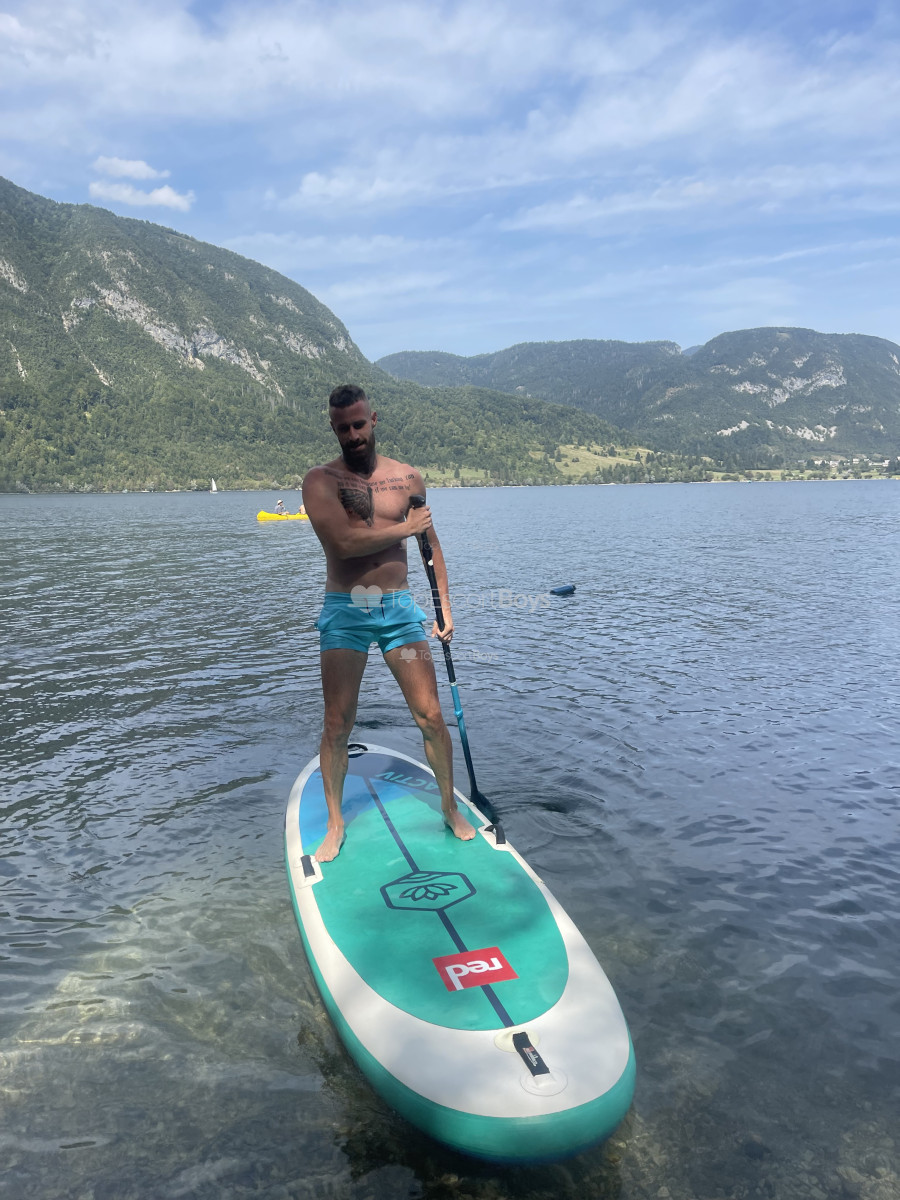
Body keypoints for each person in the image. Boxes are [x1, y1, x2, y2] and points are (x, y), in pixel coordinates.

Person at [302, 383, 475, 862]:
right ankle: (335, 823)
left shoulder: (407, 478)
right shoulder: (320, 481)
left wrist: (444, 607)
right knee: (337, 722)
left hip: (399, 610)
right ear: (333, 429)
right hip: (346, 609)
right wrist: (405, 528)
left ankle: (449, 808)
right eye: (343, 429)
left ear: (373, 420)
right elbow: (342, 544)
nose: (353, 435)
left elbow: (430, 546)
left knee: (431, 716)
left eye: (359, 425)